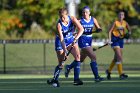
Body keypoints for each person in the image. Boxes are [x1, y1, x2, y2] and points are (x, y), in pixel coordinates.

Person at [65, 6, 104, 82]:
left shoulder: (93, 19)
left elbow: (99, 28)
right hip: (82, 40)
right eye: (83, 12)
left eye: (86, 12)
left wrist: (98, 30)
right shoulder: (80, 21)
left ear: (89, 12)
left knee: (80, 60)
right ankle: (96, 77)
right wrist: (74, 33)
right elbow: (73, 30)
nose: (84, 13)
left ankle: (69, 67)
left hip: (89, 40)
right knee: (93, 57)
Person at [47, 8, 84, 87]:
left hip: (71, 40)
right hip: (61, 43)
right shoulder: (59, 25)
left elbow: (81, 29)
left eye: (63, 17)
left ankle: (76, 79)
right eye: (60, 17)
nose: (62, 19)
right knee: (61, 62)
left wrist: (76, 38)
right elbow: (62, 39)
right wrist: (65, 51)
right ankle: (55, 80)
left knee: (78, 57)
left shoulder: (72, 19)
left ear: (67, 15)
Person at [106, 11, 131, 80]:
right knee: (119, 57)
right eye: (119, 15)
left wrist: (128, 34)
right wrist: (109, 40)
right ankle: (121, 74)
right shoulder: (115, 22)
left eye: (122, 15)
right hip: (114, 40)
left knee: (116, 58)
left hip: (120, 41)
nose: (121, 16)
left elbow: (129, 30)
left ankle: (108, 71)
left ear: (124, 16)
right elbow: (109, 31)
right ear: (118, 16)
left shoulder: (125, 23)